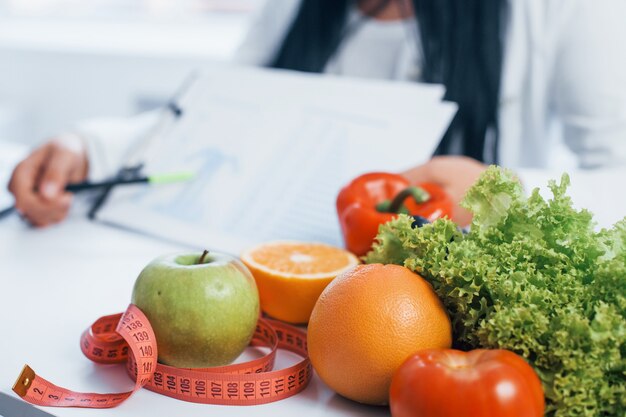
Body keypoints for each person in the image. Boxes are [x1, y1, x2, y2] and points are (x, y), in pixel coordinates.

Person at [8, 0, 626, 227]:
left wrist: (509, 191)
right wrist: (91, 146)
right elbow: (218, 115)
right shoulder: (295, 7)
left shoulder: (563, 9)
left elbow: (617, 177)